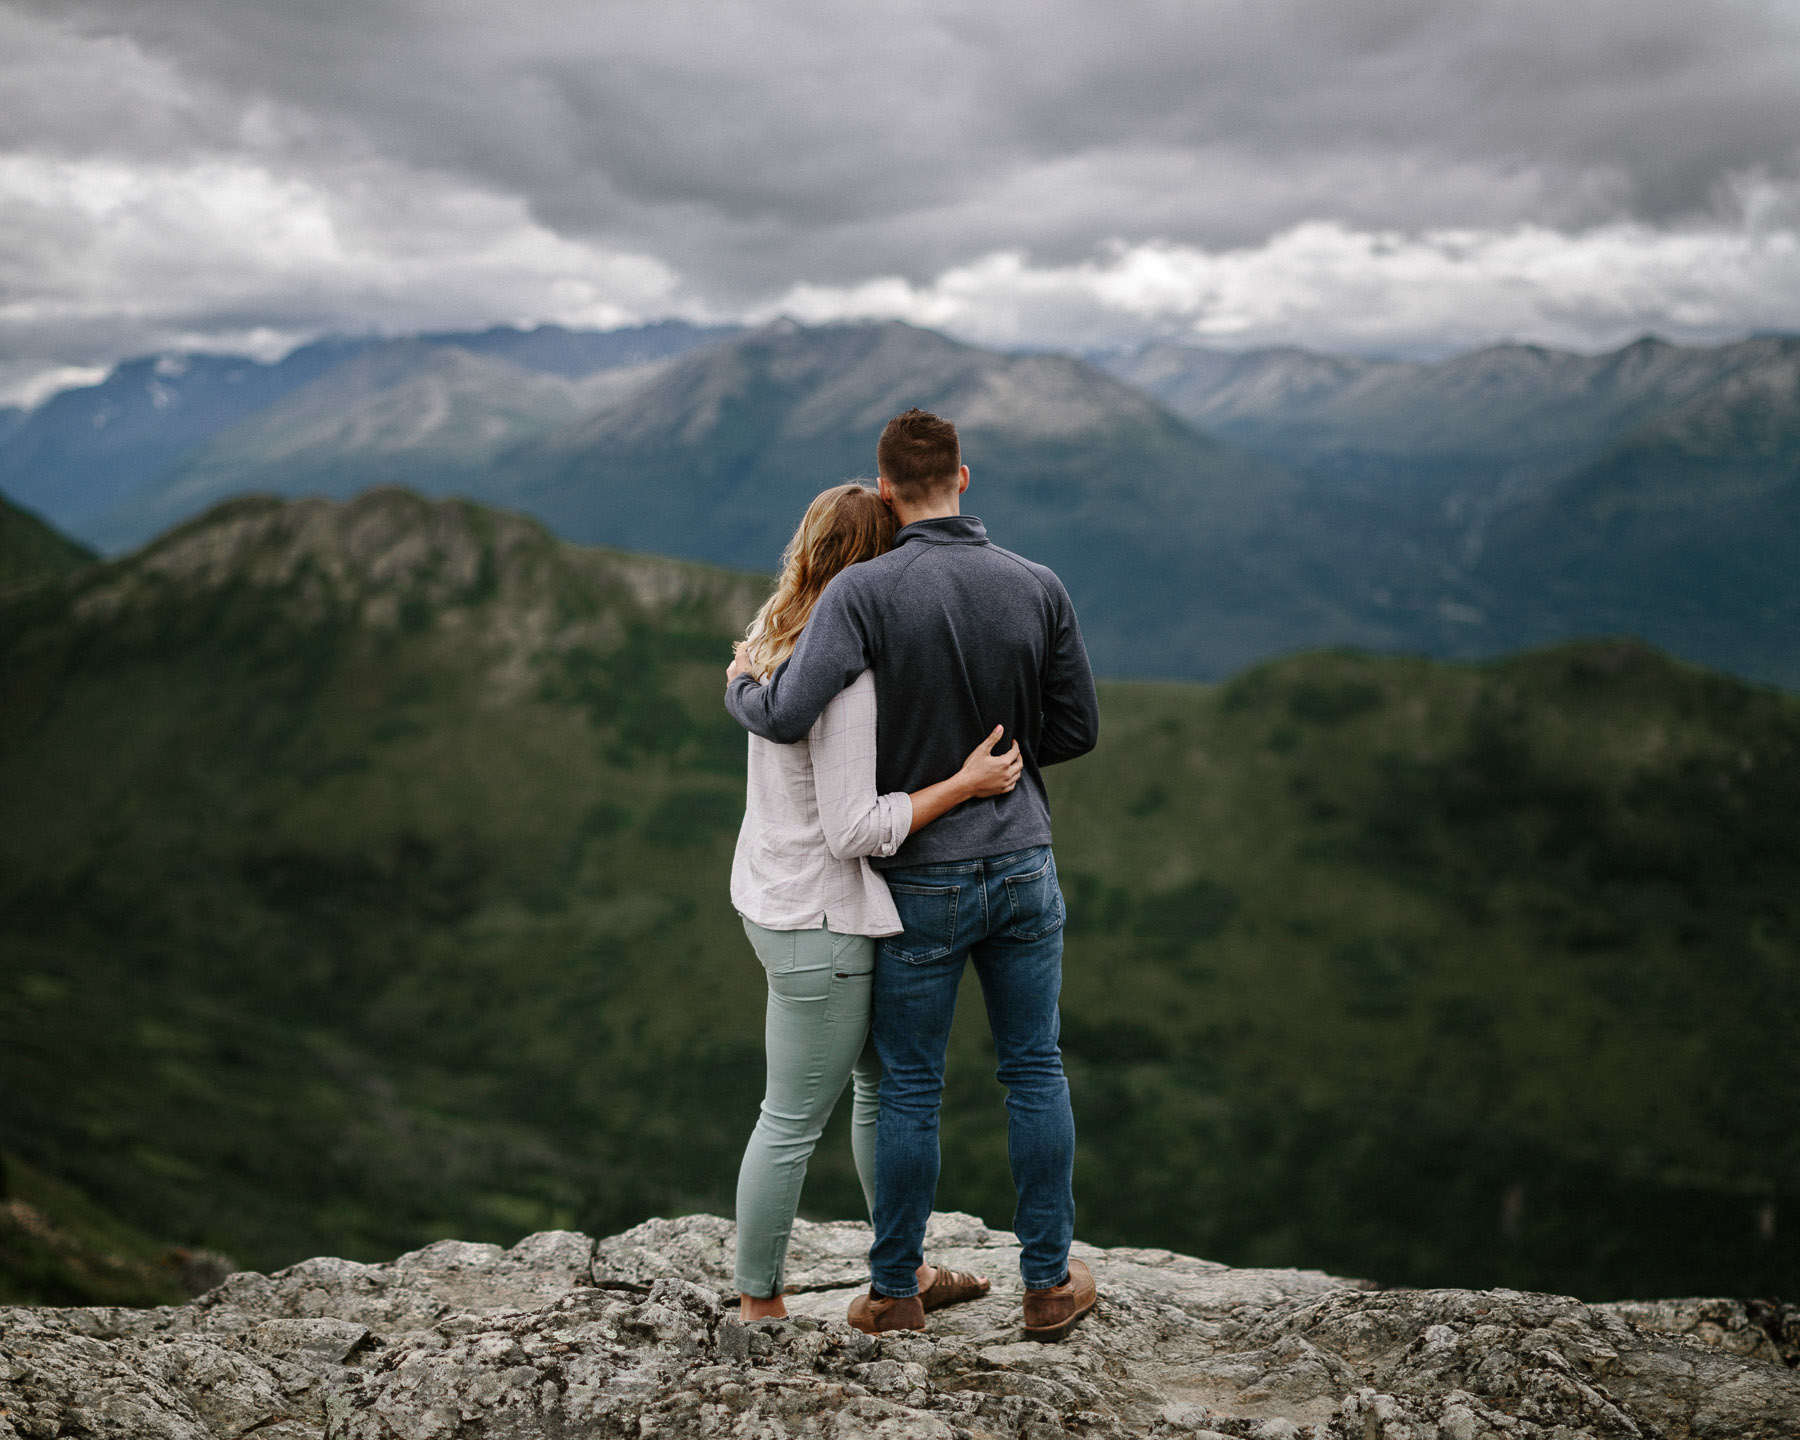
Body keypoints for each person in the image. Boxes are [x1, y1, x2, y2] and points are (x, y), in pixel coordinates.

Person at [725, 410, 1101, 1341]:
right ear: (963, 479)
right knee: (1034, 1069)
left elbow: (784, 714)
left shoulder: (863, 595)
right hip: (1020, 858)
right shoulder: (1038, 584)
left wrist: (738, 684)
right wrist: (999, 762)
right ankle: (1049, 1284)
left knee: (906, 1086)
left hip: (921, 876)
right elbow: (1078, 730)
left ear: (887, 488)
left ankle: (895, 1291)